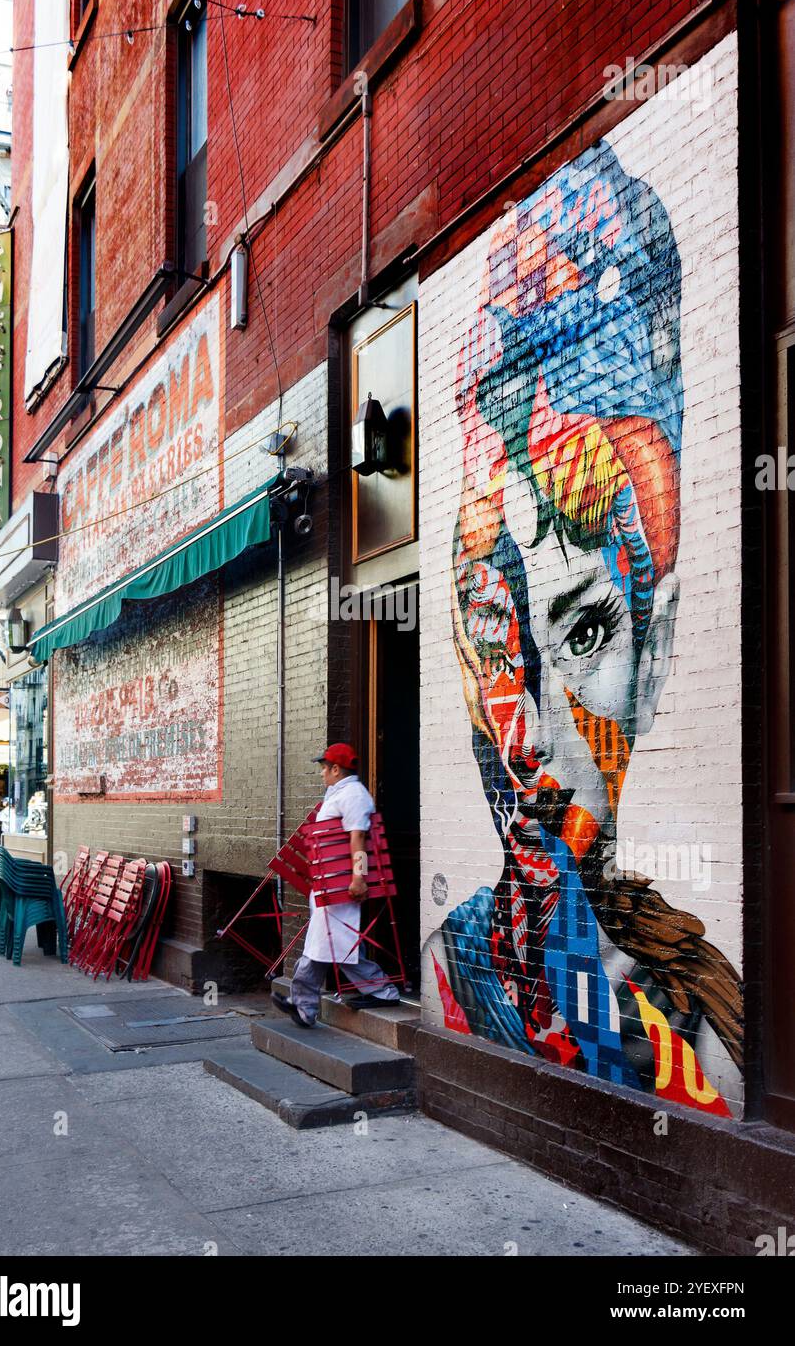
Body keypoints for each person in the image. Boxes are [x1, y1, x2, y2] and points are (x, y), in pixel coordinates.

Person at [423, 141, 743, 1115]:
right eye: (494, 641)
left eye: (585, 634)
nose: (534, 732)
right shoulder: (458, 963)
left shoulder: (709, 1017)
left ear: (655, 658)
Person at [273, 743, 401, 1028]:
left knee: (327, 941)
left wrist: (359, 878)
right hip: (329, 882)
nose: (321, 774)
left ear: (335, 769)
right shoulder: (341, 793)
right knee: (336, 942)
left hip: (341, 884)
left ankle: (304, 1005)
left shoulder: (354, 795)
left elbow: (359, 839)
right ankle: (380, 989)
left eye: (324, 768)